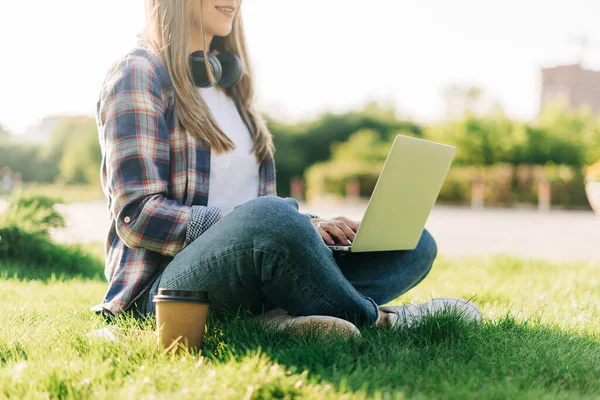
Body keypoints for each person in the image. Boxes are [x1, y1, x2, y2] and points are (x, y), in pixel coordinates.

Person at [94, 0, 481, 336]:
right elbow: (136, 215)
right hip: (165, 292)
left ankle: (271, 319)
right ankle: (380, 320)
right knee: (273, 217)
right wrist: (267, 222)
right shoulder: (138, 72)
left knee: (412, 243)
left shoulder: (230, 87)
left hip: (255, 261)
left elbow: (261, 221)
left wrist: (314, 226)